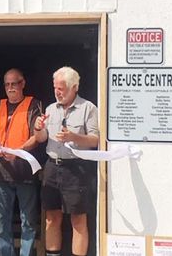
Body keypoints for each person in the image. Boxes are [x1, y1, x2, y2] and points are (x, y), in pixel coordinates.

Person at [34, 66, 99, 256]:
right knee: (51, 217)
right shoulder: (50, 109)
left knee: (78, 219)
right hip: (52, 166)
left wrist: (74, 137)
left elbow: (95, 140)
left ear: (74, 87)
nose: (57, 92)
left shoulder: (88, 108)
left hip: (77, 168)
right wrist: (38, 128)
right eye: (55, 87)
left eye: (61, 88)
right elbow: (41, 139)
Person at [0, 68, 42, 256]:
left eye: (14, 83)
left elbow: (37, 137)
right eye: (7, 84)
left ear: (23, 84)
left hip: (25, 173)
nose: (11, 88)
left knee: (28, 220)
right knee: (2, 222)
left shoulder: (34, 105)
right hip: (3, 173)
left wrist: (18, 152)